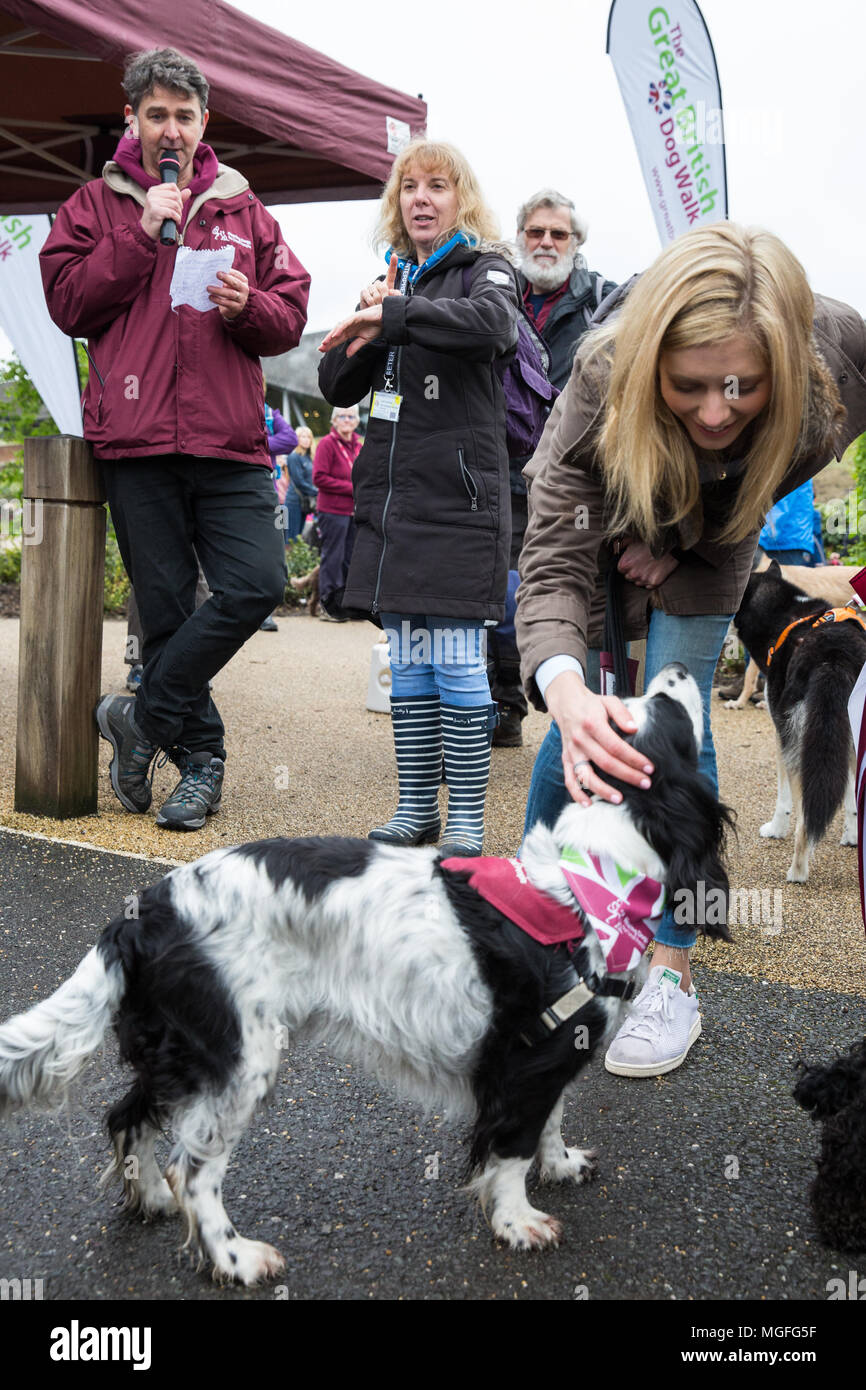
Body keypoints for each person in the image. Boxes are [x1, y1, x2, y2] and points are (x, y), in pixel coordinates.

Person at [516, 221, 860, 1075]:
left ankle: (673, 971)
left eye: (741, 387)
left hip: (718, 535)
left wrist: (689, 541)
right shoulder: (603, 377)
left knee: (682, 740)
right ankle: (533, 936)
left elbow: (761, 465)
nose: (715, 411)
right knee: (582, 732)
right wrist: (562, 686)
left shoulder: (839, 370)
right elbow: (556, 549)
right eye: (690, 387)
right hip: (607, 512)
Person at [40, 47, 309, 830]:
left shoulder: (244, 206)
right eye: (155, 113)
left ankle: (141, 717)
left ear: (203, 124)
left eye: (183, 115)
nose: (171, 128)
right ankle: (202, 765)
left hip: (229, 441)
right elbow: (66, 301)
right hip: (138, 439)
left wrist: (248, 304)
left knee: (258, 584)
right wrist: (140, 234)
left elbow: (289, 314)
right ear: (133, 120)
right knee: (163, 616)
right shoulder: (96, 203)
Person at [318, 137, 519, 855]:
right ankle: (415, 808)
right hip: (395, 505)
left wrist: (396, 313)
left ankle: (464, 818)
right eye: (410, 187)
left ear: (462, 198)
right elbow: (336, 386)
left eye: (438, 185)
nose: (422, 198)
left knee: (460, 659)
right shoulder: (390, 278)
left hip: (460, 505)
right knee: (409, 660)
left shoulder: (488, 269)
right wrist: (372, 326)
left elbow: (493, 328)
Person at [490, 190, 618, 748]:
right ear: (520, 238)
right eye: (536, 232)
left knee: (571, 583)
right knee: (502, 587)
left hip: (575, 472)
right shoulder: (494, 291)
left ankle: (583, 703)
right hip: (502, 468)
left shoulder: (605, 302)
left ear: (576, 242)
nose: (545, 242)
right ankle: (505, 704)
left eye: (557, 234)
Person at [311, 407, 362, 620]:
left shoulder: (358, 446)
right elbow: (319, 478)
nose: (347, 420)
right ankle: (328, 603)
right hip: (332, 511)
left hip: (353, 512)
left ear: (357, 421)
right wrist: (352, 487)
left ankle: (346, 603)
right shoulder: (327, 444)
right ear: (334, 420)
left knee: (351, 558)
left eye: (351, 416)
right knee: (333, 557)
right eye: (342, 416)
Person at [284, 425, 316, 541]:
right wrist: (317, 492)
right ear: (297, 438)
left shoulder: (309, 457)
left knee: (300, 537)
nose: (306, 439)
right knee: (292, 538)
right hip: (294, 501)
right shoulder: (293, 457)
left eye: (309, 437)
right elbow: (299, 482)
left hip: (305, 502)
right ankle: (289, 560)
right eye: (303, 436)